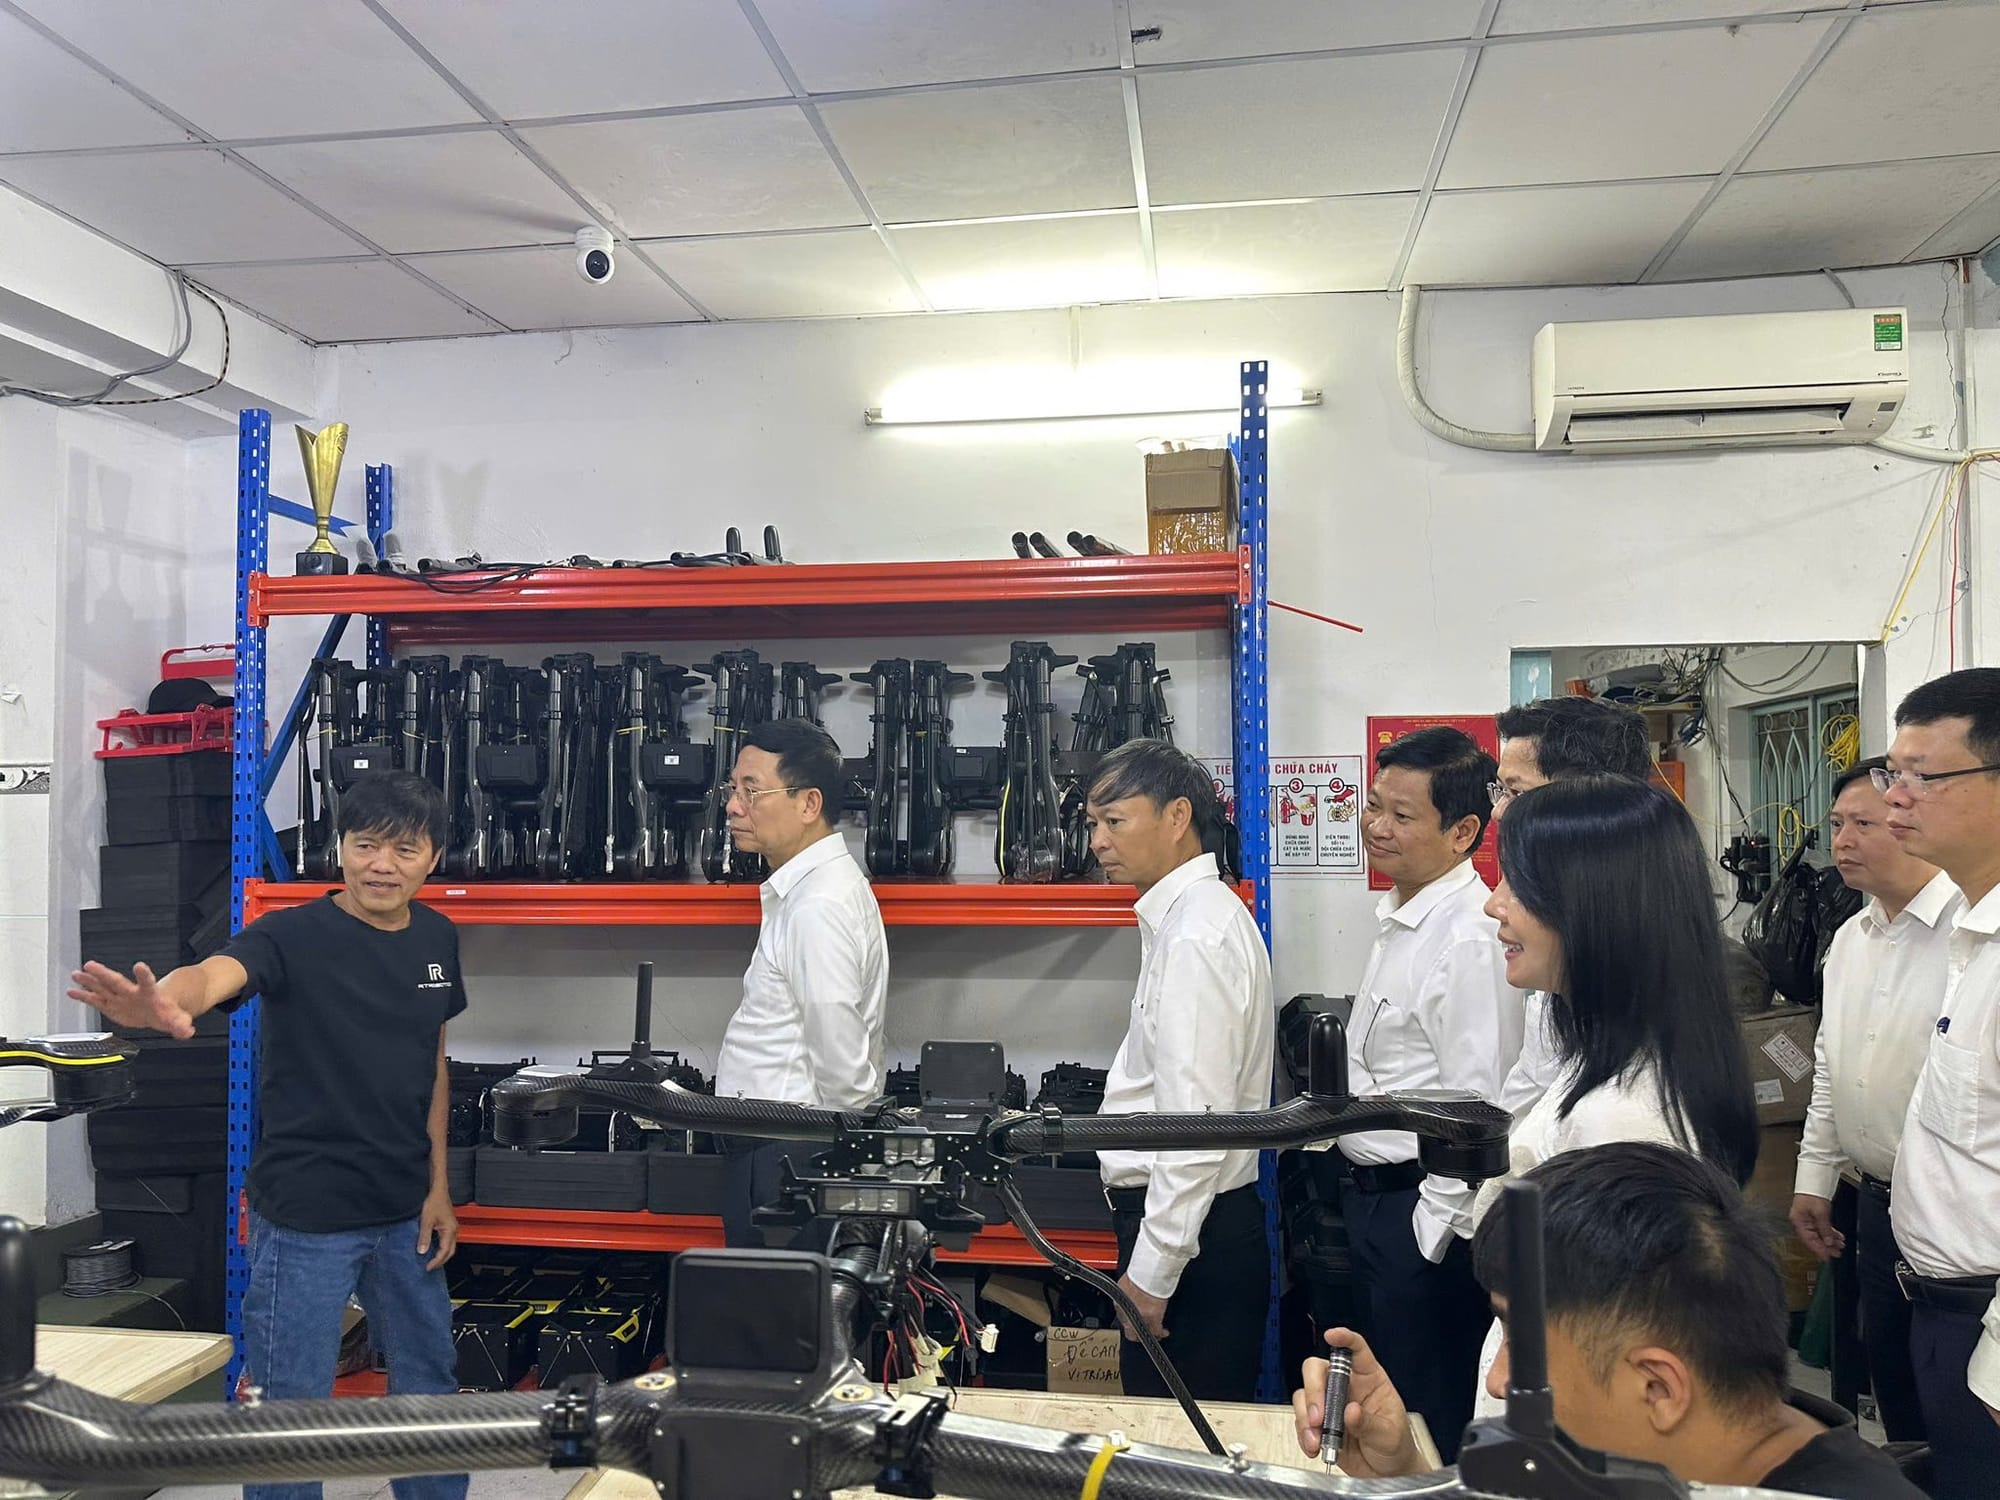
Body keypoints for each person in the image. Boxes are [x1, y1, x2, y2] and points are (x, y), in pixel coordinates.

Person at [68, 771, 469, 1500]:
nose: (382, 865)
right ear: (340, 847)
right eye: (366, 844)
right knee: (289, 1406)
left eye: (404, 849)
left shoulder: (438, 938)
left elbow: (432, 1063)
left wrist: (438, 1187)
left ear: (433, 858)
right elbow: (214, 973)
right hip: (306, 1217)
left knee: (430, 1386)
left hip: (405, 1210)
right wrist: (167, 1002)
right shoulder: (291, 934)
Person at [1294, 1144, 1926, 1499]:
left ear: (1658, 1387)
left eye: (1521, 1343)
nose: (1498, 1381)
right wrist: (1402, 1470)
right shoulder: (1680, 1460)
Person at [1342, 724, 1524, 1459]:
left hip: (1423, 1220)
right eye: (1373, 805)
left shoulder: (1467, 938)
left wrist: (1430, 1235)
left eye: (1402, 815)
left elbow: (1479, 1107)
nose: (1376, 827)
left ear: (1464, 832)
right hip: (1379, 1205)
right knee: (1389, 1418)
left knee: (1427, 1421)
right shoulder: (1405, 918)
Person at [1087, 739, 1275, 1402]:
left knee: (1181, 1440)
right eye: (1093, 823)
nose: (1098, 841)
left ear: (1176, 817)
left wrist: (1153, 1273)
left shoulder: (1197, 934)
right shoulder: (1190, 919)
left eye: (1115, 821)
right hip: (1194, 1229)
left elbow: (1195, 1128)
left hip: (1192, 1243)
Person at [1790, 756, 1957, 1445]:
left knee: (1956, 1399)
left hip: (1956, 1212)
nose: (1843, 841)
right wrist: (1815, 1176)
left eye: (1863, 823)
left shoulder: (1968, 933)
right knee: (1893, 1382)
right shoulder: (1851, 940)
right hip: (1875, 1204)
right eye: (1836, 825)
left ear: (1910, 822)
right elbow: (1834, 1068)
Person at [1877, 669, 2000, 1500]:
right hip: (1942, 1310)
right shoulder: (1970, 930)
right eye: (1894, 772)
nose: (1897, 797)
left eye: (1924, 775)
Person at [713, 718, 887, 1249]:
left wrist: (844, 1152)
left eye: (752, 791)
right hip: (783, 1147)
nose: (733, 806)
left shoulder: (819, 905)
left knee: (781, 1299)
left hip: (790, 1156)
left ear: (809, 804)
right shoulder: (811, 891)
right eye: (732, 789)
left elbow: (841, 1061)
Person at [1489, 696, 1653, 1122]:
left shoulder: (1643, 974)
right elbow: (1522, 1105)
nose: (1498, 811)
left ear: (1586, 798)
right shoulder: (1558, 978)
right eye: (1499, 790)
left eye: (1516, 792)